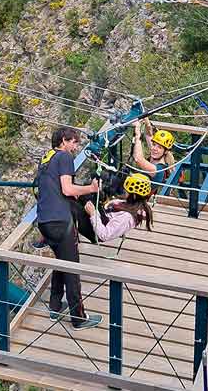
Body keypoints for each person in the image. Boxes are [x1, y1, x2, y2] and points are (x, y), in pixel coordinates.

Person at [35, 126, 102, 329]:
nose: (76, 147)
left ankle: (55, 306)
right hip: (61, 221)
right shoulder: (64, 157)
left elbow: (54, 187)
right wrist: (90, 189)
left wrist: (73, 192)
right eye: (74, 142)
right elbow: (67, 188)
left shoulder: (47, 157)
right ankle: (78, 318)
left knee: (61, 262)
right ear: (64, 141)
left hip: (44, 221)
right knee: (72, 268)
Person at [83, 173, 154, 242]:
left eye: (127, 191)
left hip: (96, 231)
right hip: (101, 218)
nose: (124, 192)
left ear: (134, 196)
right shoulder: (132, 204)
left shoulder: (127, 217)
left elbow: (104, 235)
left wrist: (93, 214)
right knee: (86, 190)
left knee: (75, 205)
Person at [132, 119, 175, 193]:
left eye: (159, 147)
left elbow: (138, 159)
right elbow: (149, 135)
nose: (154, 148)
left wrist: (137, 135)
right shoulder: (155, 156)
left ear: (166, 151)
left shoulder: (159, 170)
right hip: (133, 192)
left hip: (137, 200)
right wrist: (147, 122)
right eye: (154, 145)